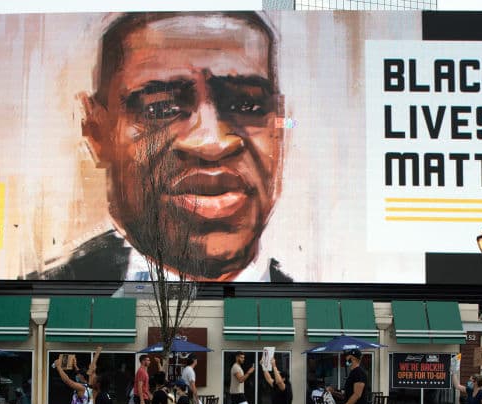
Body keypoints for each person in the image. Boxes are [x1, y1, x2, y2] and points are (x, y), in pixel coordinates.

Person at [30, 11, 290, 283]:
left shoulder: (319, 307)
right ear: (97, 132)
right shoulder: (51, 288)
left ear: (278, 129)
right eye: (161, 108)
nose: (212, 143)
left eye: (247, 106)